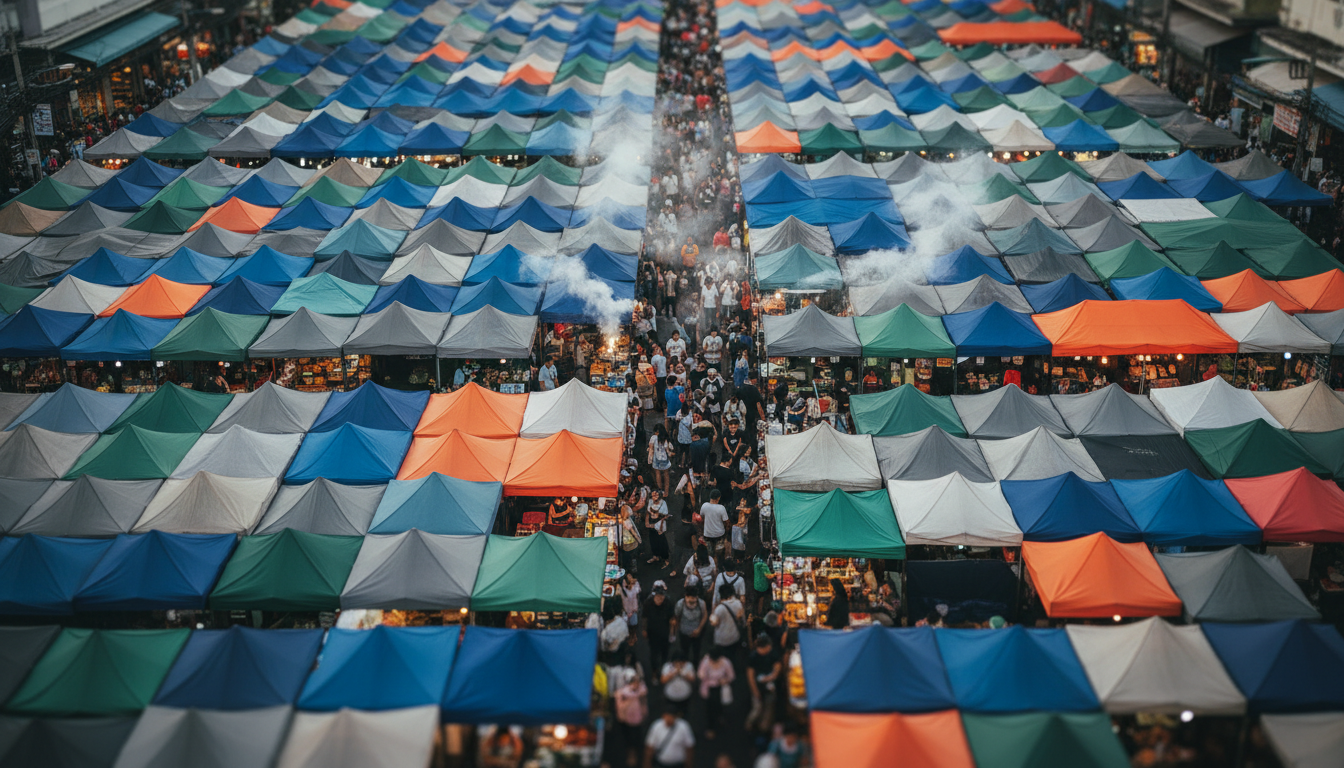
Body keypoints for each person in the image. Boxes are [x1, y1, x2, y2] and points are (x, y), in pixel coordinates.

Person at [745, 634, 782, 735]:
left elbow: (777, 667)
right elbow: (750, 675)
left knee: (769, 707)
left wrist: (771, 677)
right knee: (757, 708)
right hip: (758, 686)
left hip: (770, 686)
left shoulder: (773, 654)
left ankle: (764, 728)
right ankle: (750, 723)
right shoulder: (753, 657)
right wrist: (755, 690)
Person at [697, 646, 736, 740]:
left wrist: (725, 680)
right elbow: (700, 674)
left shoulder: (725, 662)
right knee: (709, 709)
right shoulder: (706, 662)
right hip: (709, 688)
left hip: (721, 688)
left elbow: (731, 676)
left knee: (720, 705)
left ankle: (720, 716)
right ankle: (710, 727)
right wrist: (707, 676)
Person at [614, 669, 648, 768]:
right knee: (628, 738)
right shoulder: (623, 693)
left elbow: (643, 702)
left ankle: (636, 754)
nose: (636, 684)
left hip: (638, 717)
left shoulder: (641, 691)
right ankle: (630, 755)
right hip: (627, 718)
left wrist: (644, 713)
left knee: (637, 737)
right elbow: (619, 705)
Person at [644, 580, 675, 673]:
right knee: (654, 654)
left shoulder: (668, 602)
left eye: (661, 597)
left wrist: (672, 632)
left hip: (665, 633)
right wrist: (644, 629)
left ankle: (664, 670)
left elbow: (672, 619)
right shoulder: (648, 602)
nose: (659, 599)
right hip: (652, 633)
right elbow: (644, 617)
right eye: (658, 597)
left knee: (665, 654)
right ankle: (654, 671)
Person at [708, 582, 746, 659]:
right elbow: (743, 620)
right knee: (732, 657)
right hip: (734, 637)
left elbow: (714, 623)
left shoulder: (719, 608)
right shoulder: (738, 603)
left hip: (721, 640)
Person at [672, 586, 708, 661]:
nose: (692, 601)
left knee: (696, 652)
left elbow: (704, 615)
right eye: (690, 599)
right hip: (684, 633)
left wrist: (699, 629)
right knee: (684, 652)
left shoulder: (701, 603)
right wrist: (676, 630)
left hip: (697, 633)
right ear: (686, 596)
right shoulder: (680, 604)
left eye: (694, 598)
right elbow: (676, 617)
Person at [700, 489, 730, 558]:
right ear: (719, 498)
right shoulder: (721, 508)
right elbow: (727, 523)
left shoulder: (704, 506)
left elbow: (702, 518)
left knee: (709, 555)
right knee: (719, 555)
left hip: (707, 534)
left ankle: (712, 565)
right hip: (719, 535)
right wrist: (726, 532)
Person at [646, 489, 670, 567]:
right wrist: (647, 522)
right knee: (653, 540)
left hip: (659, 525)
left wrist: (659, 527)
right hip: (651, 524)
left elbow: (665, 515)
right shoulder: (650, 501)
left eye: (656, 495)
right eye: (653, 495)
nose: (654, 497)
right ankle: (655, 556)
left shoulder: (663, 503)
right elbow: (648, 512)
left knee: (662, 542)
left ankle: (665, 559)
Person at [648, 424, 673, 495]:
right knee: (666, 474)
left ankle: (660, 491)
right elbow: (668, 448)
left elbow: (651, 450)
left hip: (656, 459)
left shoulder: (653, 438)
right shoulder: (665, 437)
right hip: (664, 459)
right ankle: (666, 492)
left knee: (657, 474)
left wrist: (649, 460)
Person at [621, 571, 642, 642]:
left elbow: (638, 591)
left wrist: (634, 583)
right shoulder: (623, 587)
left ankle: (634, 634)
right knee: (627, 625)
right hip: (625, 609)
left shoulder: (635, 585)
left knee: (634, 624)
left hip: (633, 609)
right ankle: (629, 635)